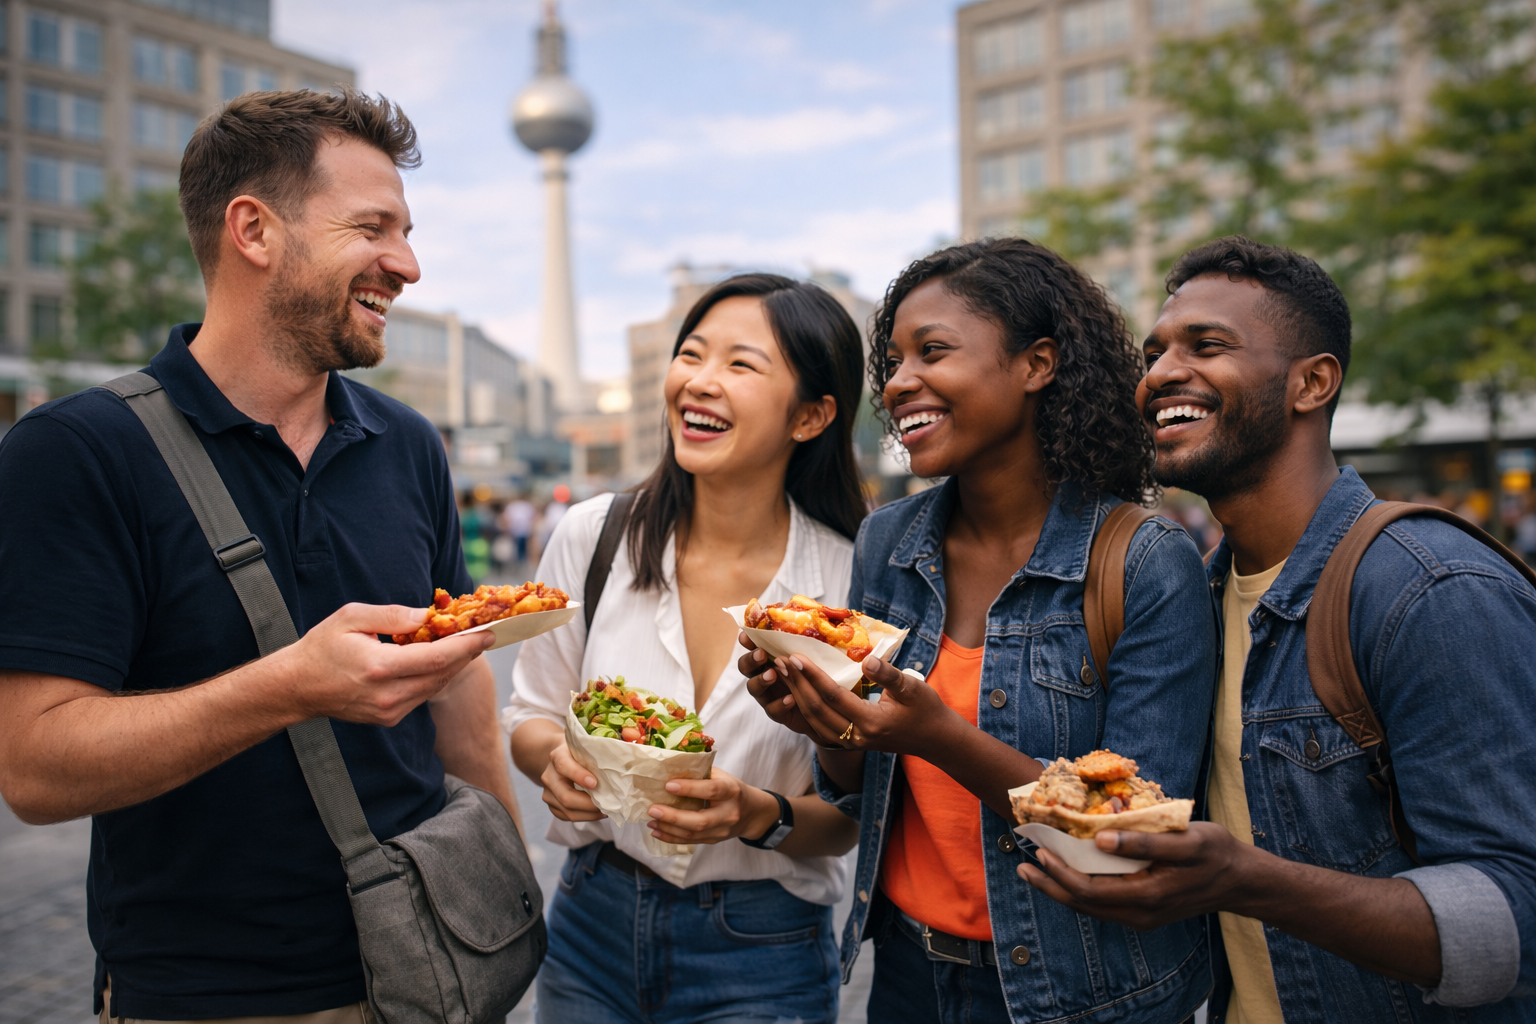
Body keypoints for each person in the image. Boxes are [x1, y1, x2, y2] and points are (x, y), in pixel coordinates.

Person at [0, 90, 512, 1023]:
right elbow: (34, 767)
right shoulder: (73, 452)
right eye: (374, 227)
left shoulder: (409, 443)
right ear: (253, 230)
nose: (408, 264)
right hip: (202, 999)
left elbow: (463, 702)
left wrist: (508, 911)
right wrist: (290, 685)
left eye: (406, 232)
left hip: (432, 976)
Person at [1018, 236, 1536, 1022]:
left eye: (1208, 345)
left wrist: (1245, 879)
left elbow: (1516, 918)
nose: (1158, 375)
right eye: (1154, 353)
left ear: (1312, 383)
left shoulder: (1429, 588)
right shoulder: (1198, 594)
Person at [742, 238, 1218, 1023]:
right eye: (891, 362)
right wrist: (819, 715)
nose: (898, 384)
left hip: (1081, 990)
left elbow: (1132, 838)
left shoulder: (1143, 562)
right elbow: (860, 783)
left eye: (932, 351)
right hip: (906, 974)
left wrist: (939, 736)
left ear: (1037, 364)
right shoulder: (887, 543)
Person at [504, 274, 866, 1024]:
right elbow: (531, 715)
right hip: (589, 925)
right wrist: (554, 763)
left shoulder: (849, 584)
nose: (698, 382)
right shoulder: (594, 535)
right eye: (692, 355)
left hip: (762, 953)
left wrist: (753, 813)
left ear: (812, 415)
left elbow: (854, 816)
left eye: (741, 364)